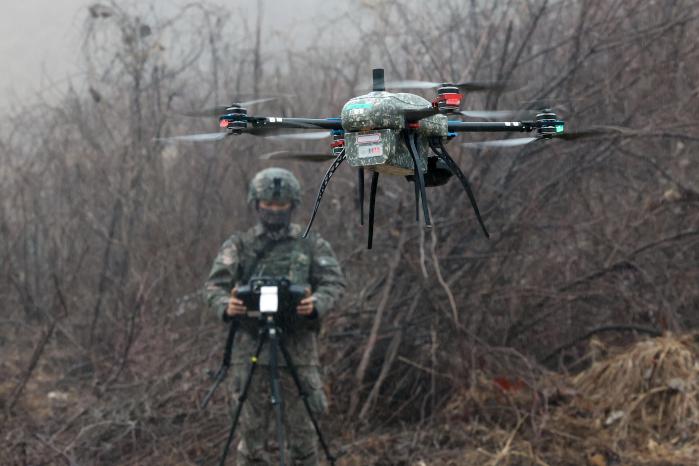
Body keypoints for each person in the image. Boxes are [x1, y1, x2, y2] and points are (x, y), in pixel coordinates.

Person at [205, 167, 345, 465]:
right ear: (256, 205)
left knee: (304, 437)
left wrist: (316, 303)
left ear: (292, 206)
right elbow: (214, 285)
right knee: (251, 438)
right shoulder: (239, 246)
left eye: (280, 206)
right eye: (267, 205)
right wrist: (226, 305)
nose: (274, 212)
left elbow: (334, 282)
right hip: (251, 350)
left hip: (297, 349)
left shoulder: (310, 244)